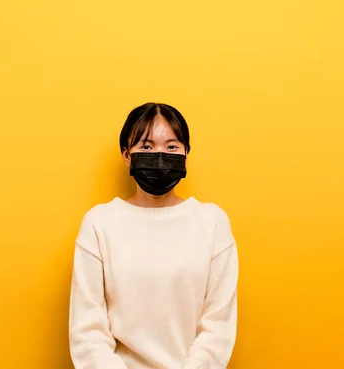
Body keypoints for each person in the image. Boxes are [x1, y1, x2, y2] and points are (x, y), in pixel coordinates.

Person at [69, 102, 239, 369]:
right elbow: (87, 330)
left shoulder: (212, 222)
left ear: (185, 153)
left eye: (171, 147)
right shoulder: (99, 223)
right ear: (127, 155)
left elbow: (218, 326)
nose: (160, 155)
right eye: (146, 147)